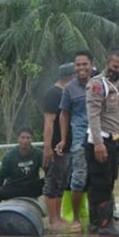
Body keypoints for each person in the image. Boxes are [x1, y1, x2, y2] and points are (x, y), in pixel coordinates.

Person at [85, 47, 119, 236]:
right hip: (100, 142)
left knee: (107, 182)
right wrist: (98, 144)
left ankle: (98, 223)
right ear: (107, 64)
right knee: (101, 185)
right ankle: (105, 226)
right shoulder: (97, 85)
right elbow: (93, 116)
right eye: (115, 66)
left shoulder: (118, 86)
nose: (118, 70)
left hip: (113, 142)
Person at [55, 51, 94, 232]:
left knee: (102, 178)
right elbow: (64, 114)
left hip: (101, 137)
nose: (81, 68)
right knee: (78, 179)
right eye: (78, 65)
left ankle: (100, 216)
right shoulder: (69, 89)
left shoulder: (100, 84)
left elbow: (113, 110)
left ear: (91, 65)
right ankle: (77, 219)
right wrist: (63, 140)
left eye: (84, 64)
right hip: (79, 139)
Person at [42, 63, 75, 228]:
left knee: (62, 182)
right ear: (70, 77)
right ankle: (52, 219)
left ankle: (58, 217)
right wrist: (47, 147)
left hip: (67, 147)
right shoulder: (54, 94)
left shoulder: (65, 93)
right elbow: (48, 122)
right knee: (52, 182)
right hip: (55, 147)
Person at [0, 128, 43, 209]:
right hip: (14, 187)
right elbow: (0, 176)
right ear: (18, 139)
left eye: (28, 138)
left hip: (32, 187)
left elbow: (49, 171)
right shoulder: (9, 156)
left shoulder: (38, 154)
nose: (25, 140)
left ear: (32, 140)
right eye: (22, 137)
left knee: (53, 183)